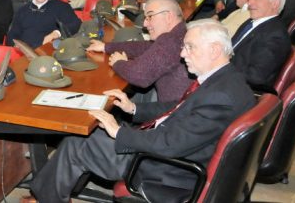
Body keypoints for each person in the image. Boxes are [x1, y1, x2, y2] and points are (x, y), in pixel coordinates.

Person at [28, 19, 255, 203]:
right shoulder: (226, 80)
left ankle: (45, 197)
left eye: (190, 47)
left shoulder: (221, 97)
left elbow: (170, 144)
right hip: (168, 146)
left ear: (215, 50)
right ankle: (54, 192)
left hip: (164, 168)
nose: (183, 54)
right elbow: (179, 107)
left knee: (78, 143)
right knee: (90, 134)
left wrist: (119, 132)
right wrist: (134, 107)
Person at [87, 0, 192, 102]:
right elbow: (145, 47)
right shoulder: (181, 32)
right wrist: (106, 47)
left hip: (174, 114)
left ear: (168, 16)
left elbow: (140, 75)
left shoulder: (170, 39)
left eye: (150, 17)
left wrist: (118, 63)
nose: (145, 24)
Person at [230, 0, 291, 92]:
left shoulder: (276, 36)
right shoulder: (252, 22)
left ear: (274, 3)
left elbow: (256, 77)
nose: (250, 3)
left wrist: (218, 68)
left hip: (239, 90)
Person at [7, 0, 81, 48]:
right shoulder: (23, 10)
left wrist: (56, 33)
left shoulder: (62, 7)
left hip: (48, 54)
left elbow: (76, 25)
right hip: (23, 53)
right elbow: (12, 35)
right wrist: (15, 45)